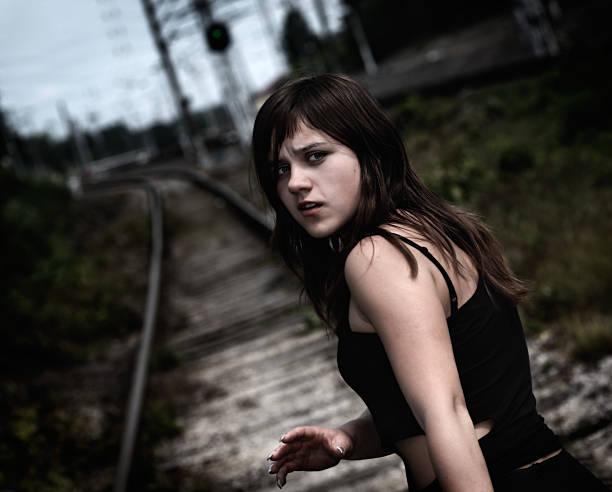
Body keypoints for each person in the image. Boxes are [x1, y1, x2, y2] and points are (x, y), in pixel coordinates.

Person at [251, 74, 609, 491]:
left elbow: (447, 414)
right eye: (280, 168)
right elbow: (457, 398)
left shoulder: (377, 257)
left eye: (315, 156)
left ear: (370, 153)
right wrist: (348, 439)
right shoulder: (432, 230)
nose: (294, 182)